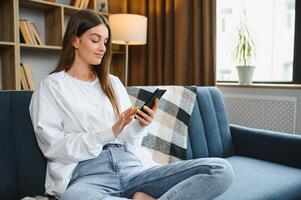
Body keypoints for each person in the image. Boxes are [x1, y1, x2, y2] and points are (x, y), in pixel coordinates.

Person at [29, 10, 234, 200]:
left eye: (106, 41)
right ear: (75, 40)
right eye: (95, 40)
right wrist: (108, 132)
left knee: (220, 170)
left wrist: (140, 125)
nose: (103, 47)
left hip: (133, 167)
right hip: (87, 175)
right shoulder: (51, 87)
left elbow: (129, 139)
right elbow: (53, 147)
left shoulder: (112, 83)